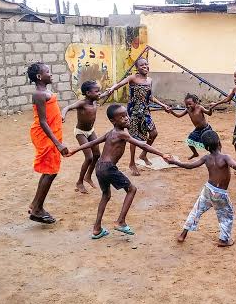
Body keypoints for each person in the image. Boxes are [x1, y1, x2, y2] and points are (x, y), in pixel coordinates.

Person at [66, 104, 171, 239]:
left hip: (99, 167)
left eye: (126, 115)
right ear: (113, 121)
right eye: (122, 117)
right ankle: (120, 221)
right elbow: (143, 144)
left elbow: (92, 143)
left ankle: (97, 229)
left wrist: (74, 150)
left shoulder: (110, 132)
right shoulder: (122, 134)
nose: (127, 118)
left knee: (106, 195)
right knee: (131, 189)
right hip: (109, 168)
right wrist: (162, 154)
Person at [166, 130, 236, 247]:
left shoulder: (206, 158)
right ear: (219, 142)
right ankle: (224, 240)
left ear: (205, 147)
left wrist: (175, 162)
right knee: (226, 215)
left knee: (196, 211)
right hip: (220, 194)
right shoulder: (225, 157)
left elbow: (190, 166)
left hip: (208, 189)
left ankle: (183, 234)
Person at [105, 58, 171, 176]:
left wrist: (163, 105)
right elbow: (120, 84)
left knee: (153, 133)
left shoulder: (149, 80)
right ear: (137, 68)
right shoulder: (133, 78)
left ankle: (143, 154)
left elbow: (150, 97)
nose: (145, 66)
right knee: (134, 139)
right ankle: (132, 163)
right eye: (142, 65)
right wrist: (112, 88)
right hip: (133, 112)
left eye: (146, 64)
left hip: (145, 111)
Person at [27, 62, 69, 224]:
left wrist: (60, 117)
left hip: (51, 133)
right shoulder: (38, 94)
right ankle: (37, 208)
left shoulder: (45, 91)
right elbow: (43, 122)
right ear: (39, 77)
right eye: (47, 72)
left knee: (50, 170)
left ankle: (36, 205)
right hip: (45, 135)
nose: (50, 74)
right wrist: (58, 144)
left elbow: (50, 114)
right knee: (50, 171)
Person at [61, 80, 113, 194]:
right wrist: (63, 114)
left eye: (99, 91)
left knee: (97, 155)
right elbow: (68, 107)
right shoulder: (82, 103)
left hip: (90, 131)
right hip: (81, 132)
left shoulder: (95, 100)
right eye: (97, 91)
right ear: (88, 93)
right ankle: (79, 182)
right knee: (89, 157)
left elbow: (104, 94)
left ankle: (88, 176)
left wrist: (109, 91)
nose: (99, 93)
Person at [167, 93, 214, 159]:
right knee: (189, 141)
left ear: (195, 103)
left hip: (206, 129)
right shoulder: (188, 110)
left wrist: (211, 109)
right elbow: (178, 116)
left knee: (208, 144)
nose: (188, 106)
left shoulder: (200, 108)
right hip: (197, 130)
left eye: (190, 104)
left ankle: (214, 155)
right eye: (186, 105)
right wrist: (171, 112)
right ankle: (195, 153)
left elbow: (209, 113)